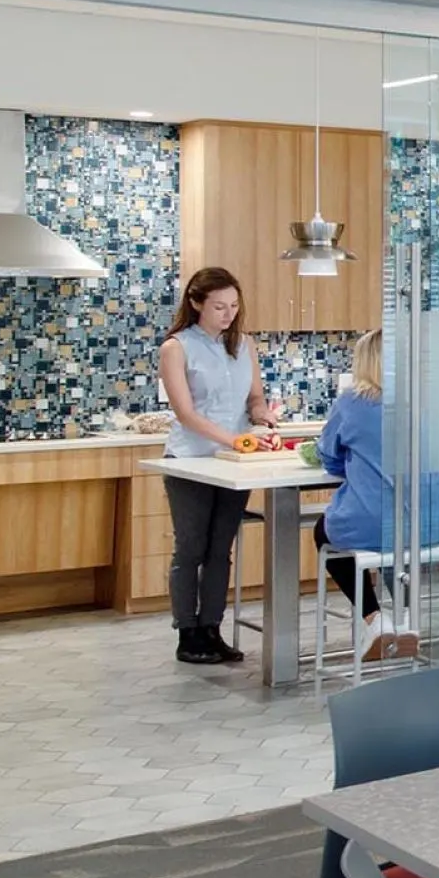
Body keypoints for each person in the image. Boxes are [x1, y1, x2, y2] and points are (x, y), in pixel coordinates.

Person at [314, 329, 439, 663]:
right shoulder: (430, 400)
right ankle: (408, 619)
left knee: (326, 532)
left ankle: (376, 620)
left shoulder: (352, 402)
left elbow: (328, 455)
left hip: (379, 524)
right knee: (397, 537)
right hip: (438, 522)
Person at [158, 267, 275, 667]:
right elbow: (186, 414)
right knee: (190, 549)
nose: (228, 314)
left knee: (220, 550)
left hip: (232, 463)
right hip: (191, 460)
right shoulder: (176, 347)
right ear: (196, 304)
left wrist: (262, 416)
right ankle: (187, 633)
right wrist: (235, 439)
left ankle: (212, 628)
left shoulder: (244, 345)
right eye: (219, 307)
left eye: (234, 306)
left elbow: (254, 398)